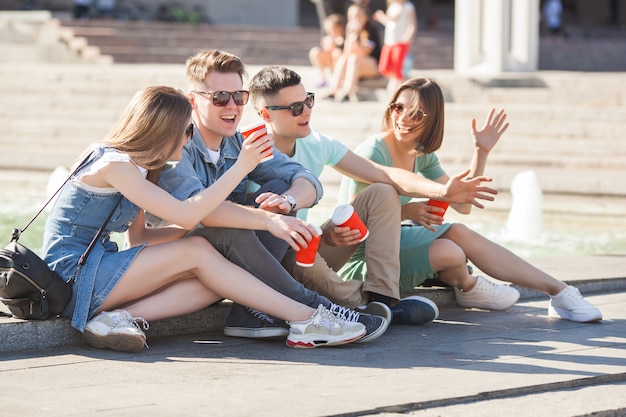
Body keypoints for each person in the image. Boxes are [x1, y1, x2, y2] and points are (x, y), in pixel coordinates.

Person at [40, 86, 366, 353]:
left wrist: (209, 239)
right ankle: (306, 318)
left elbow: (140, 240)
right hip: (72, 276)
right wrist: (241, 167)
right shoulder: (113, 164)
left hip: (102, 267)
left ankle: (117, 318)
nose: (190, 138)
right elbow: (186, 214)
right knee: (199, 252)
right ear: (163, 129)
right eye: (187, 130)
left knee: (215, 277)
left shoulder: (141, 167)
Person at [153, 49, 389, 342]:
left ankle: (250, 312)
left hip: (225, 269)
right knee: (231, 229)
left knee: (277, 191)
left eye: (239, 97)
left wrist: (287, 203)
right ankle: (320, 309)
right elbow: (203, 214)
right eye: (219, 98)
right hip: (170, 264)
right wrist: (267, 219)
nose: (232, 106)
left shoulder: (238, 142)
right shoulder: (178, 145)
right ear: (193, 100)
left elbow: (306, 180)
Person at [248, 66, 500, 325]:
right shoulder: (245, 147)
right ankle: (363, 306)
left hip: (305, 241)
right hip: (267, 256)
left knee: (382, 190)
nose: (306, 112)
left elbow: (384, 174)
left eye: (308, 101)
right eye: (295, 108)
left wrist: (443, 191)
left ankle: (383, 299)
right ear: (266, 114)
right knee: (300, 252)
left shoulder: (318, 143)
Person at [338, 77, 603, 323]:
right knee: (457, 234)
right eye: (398, 108)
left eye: (416, 113)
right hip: (367, 262)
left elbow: (462, 205)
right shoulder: (374, 150)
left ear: (432, 120)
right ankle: (559, 291)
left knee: (451, 251)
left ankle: (470, 287)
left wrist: (481, 152)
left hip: (393, 246)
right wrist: (408, 211)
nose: (403, 118)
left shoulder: (421, 155)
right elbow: (354, 224)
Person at [326, 3, 382, 102]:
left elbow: (364, 53)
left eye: (358, 15)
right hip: (355, 63)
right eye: (352, 16)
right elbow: (347, 52)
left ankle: (348, 92)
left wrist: (355, 37)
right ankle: (333, 91)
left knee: (354, 58)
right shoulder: (349, 29)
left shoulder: (371, 30)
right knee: (344, 57)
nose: (355, 19)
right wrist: (351, 36)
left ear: (365, 16)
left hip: (372, 65)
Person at [372, 0, 417, 93]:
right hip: (389, 40)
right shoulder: (393, 6)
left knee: (398, 65)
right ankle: (394, 80)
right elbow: (389, 22)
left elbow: (412, 23)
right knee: (384, 66)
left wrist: (409, 36)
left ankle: (398, 84)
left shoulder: (408, 6)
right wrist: (380, 17)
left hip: (401, 40)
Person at [308, 13, 346, 88]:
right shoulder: (328, 38)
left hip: (340, 63)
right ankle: (323, 79)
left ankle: (337, 79)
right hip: (330, 61)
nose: (329, 32)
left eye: (332, 29)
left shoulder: (344, 39)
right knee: (315, 52)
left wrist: (336, 44)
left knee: (337, 53)